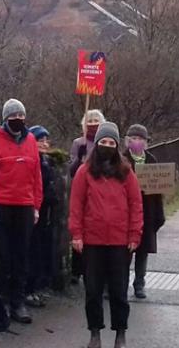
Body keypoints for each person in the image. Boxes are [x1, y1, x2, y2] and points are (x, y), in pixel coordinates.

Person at [69, 122, 143, 348]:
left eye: (112, 143)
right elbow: (76, 205)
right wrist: (76, 234)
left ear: (117, 145)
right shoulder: (84, 171)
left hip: (120, 241)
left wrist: (134, 235)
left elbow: (135, 204)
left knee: (119, 291)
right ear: (97, 144)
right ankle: (95, 333)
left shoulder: (126, 171)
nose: (107, 146)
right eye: (103, 142)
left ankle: (120, 333)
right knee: (93, 291)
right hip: (92, 240)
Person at [0, 98, 43, 324]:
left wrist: (36, 205)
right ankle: (2, 301)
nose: (17, 120)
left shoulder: (30, 140)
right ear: (5, 119)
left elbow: (37, 175)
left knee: (21, 256)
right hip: (0, 205)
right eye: (13, 117)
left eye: (21, 116)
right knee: (2, 257)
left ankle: (18, 302)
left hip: (25, 207)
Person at [124, 124, 165, 299]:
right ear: (127, 141)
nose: (137, 142)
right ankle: (119, 284)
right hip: (126, 212)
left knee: (142, 252)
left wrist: (158, 215)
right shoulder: (122, 160)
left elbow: (158, 190)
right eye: (134, 138)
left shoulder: (151, 160)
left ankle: (139, 284)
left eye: (141, 139)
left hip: (147, 211)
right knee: (124, 253)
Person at [68, 110, 106, 283]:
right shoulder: (79, 143)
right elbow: (71, 169)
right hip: (83, 188)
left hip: (101, 191)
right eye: (89, 120)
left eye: (96, 120)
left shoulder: (104, 142)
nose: (93, 123)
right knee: (80, 227)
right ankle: (77, 269)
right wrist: (79, 158)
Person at [25, 125, 60, 307]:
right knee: (32, 251)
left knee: (42, 251)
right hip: (33, 212)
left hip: (45, 212)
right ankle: (29, 289)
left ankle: (38, 286)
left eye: (47, 140)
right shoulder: (32, 161)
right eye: (41, 140)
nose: (45, 144)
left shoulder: (46, 162)